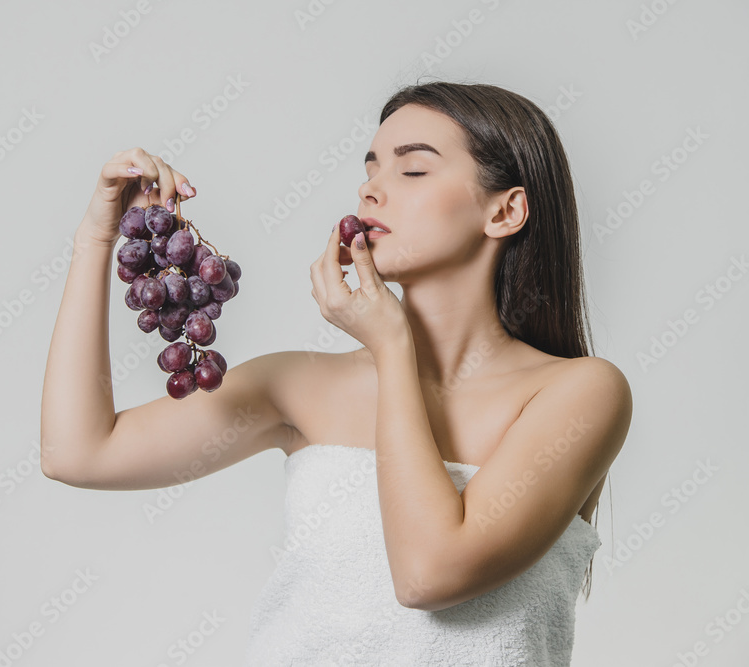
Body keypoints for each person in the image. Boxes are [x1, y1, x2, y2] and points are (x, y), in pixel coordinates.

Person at [39, 79, 633, 665]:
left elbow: (428, 575)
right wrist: (96, 237)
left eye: (414, 170)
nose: (370, 189)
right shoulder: (298, 386)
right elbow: (77, 452)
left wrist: (392, 348)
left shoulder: (580, 394)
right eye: (371, 168)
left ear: (505, 210)